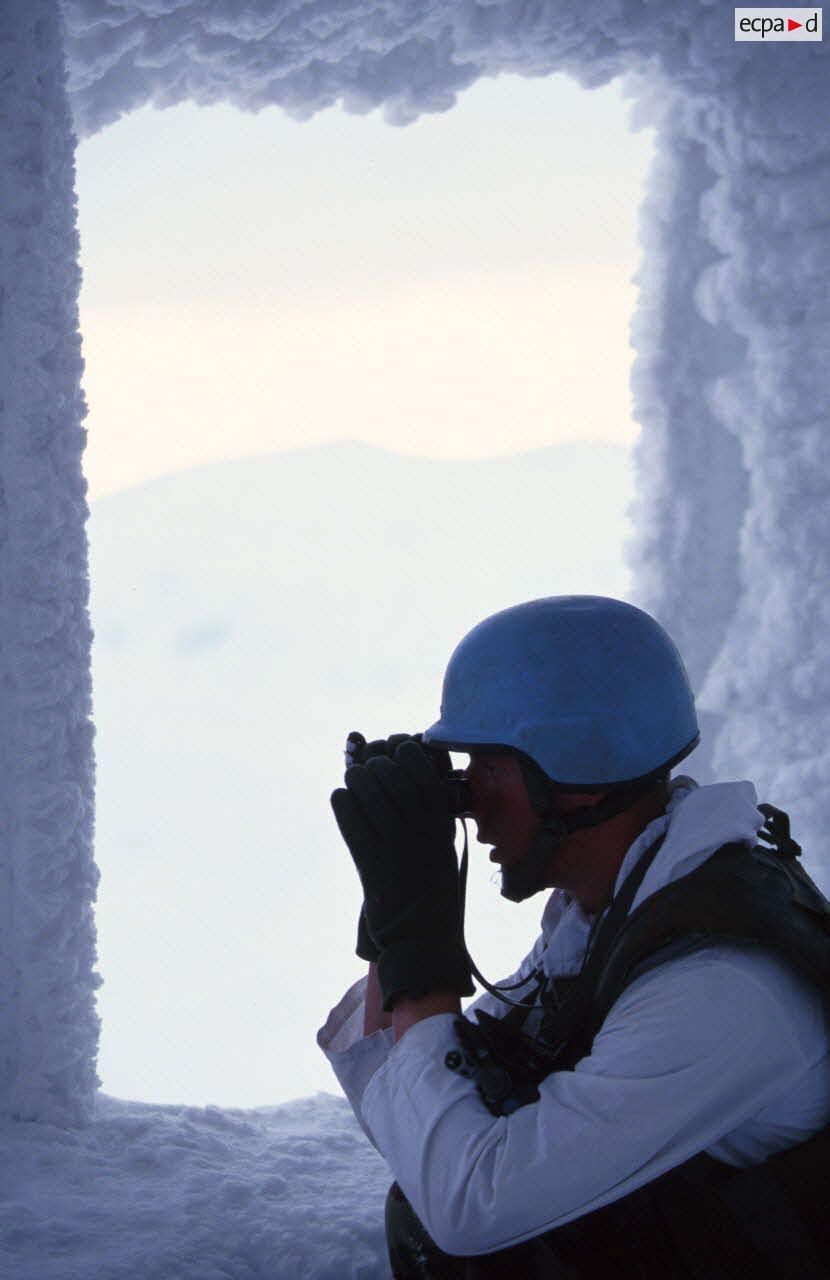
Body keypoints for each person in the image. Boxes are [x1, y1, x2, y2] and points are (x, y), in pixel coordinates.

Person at [318, 596, 830, 1278]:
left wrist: (420, 946)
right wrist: (397, 910)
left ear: (574, 771)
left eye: (488, 768)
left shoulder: (717, 982)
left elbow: (467, 1205)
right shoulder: (613, 909)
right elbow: (418, 1113)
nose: (471, 802)